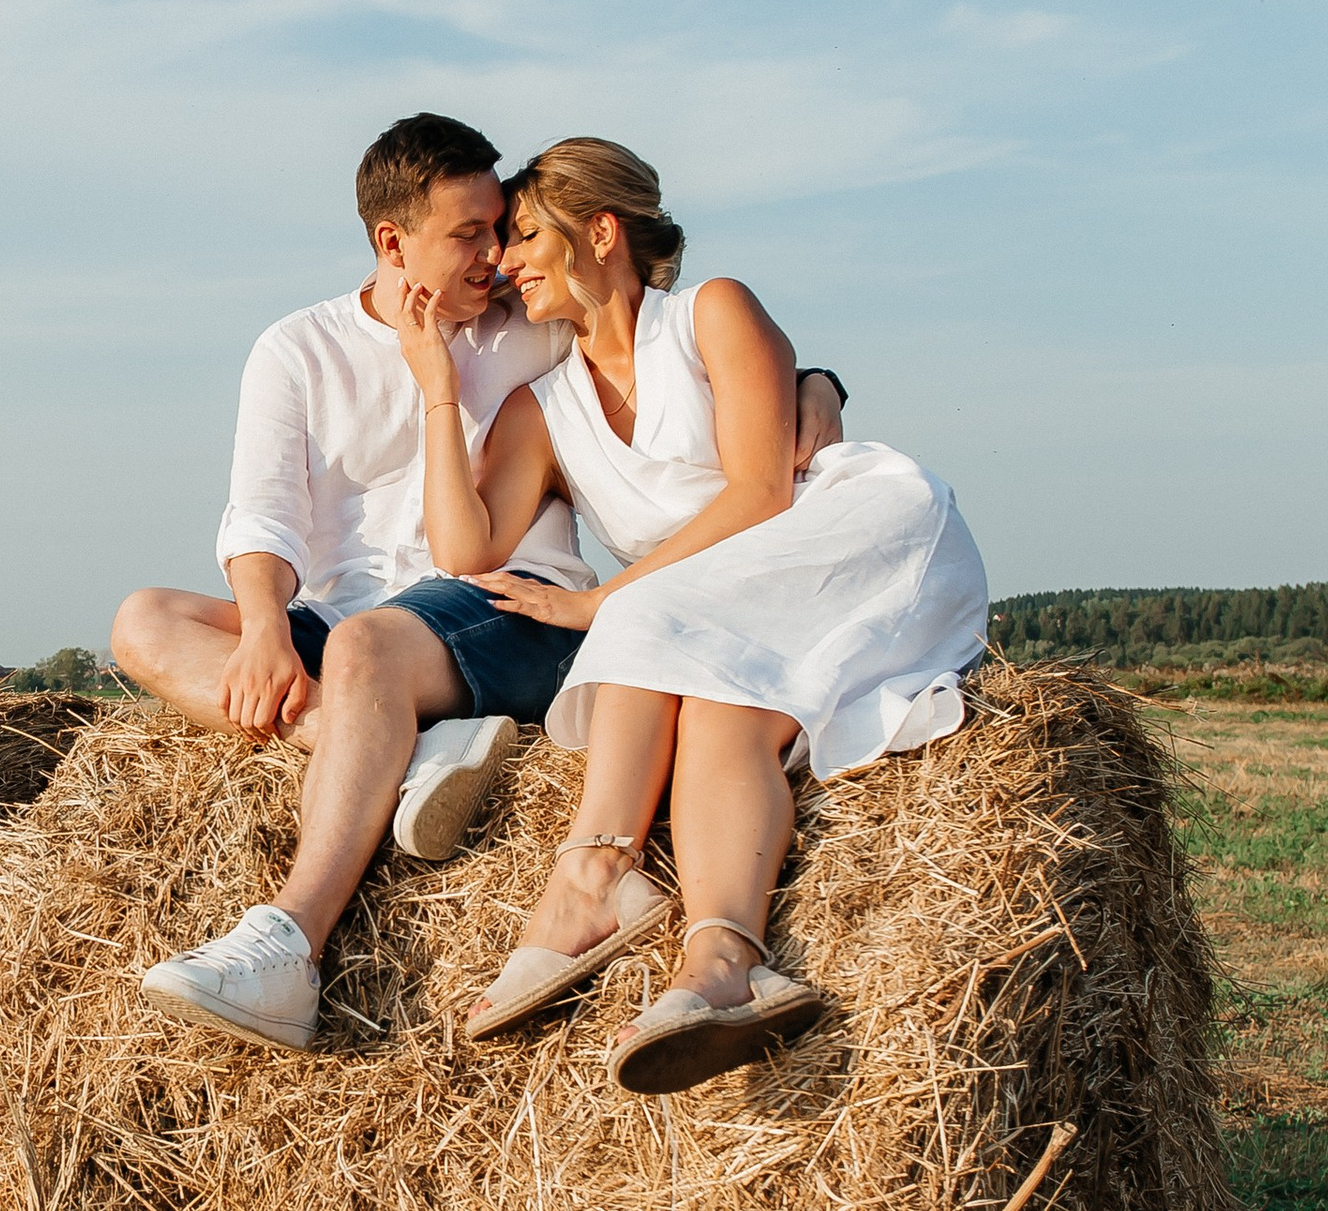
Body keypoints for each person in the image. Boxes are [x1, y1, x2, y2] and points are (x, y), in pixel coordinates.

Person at [112, 112, 846, 1055]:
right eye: (468, 234)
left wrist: (819, 382)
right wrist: (261, 626)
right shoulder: (296, 349)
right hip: (351, 612)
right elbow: (262, 516)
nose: (495, 254)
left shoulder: (528, 325)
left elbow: (673, 348)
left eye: (501, 228)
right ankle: (385, 746)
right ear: (392, 242)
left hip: (505, 605)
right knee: (146, 620)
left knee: (363, 647)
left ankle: (289, 945)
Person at [393, 136, 987, 1092]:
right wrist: (434, 389)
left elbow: (759, 494)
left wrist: (601, 601)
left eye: (525, 234)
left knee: (650, 623)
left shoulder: (711, 313)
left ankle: (588, 880)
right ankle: (724, 965)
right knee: (722, 713)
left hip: (849, 538)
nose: (502, 260)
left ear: (601, 231)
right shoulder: (541, 410)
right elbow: (465, 552)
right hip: (717, 617)